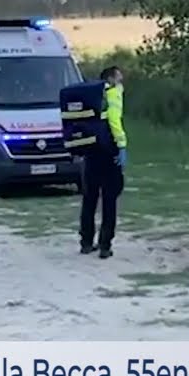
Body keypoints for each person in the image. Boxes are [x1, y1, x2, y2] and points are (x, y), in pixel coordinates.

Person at [80, 65, 126, 259]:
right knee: (109, 199)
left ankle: (86, 242)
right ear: (112, 79)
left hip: (91, 151)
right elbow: (114, 120)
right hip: (108, 151)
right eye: (120, 77)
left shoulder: (91, 96)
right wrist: (122, 144)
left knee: (89, 198)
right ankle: (105, 244)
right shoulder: (113, 94)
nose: (122, 81)